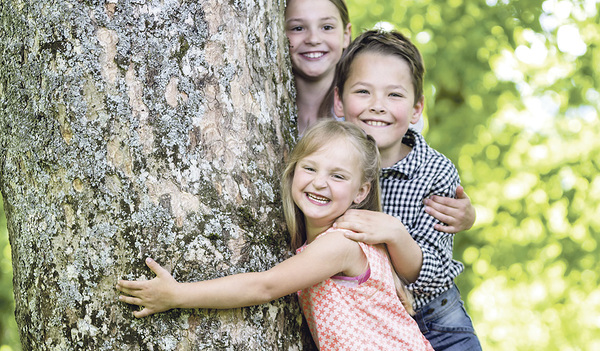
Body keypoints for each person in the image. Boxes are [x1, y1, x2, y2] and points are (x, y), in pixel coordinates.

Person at [116, 120, 433, 350]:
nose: (319, 183)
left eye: (337, 175)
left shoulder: (340, 243)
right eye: (310, 168)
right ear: (294, 171)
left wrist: (177, 295)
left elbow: (264, 286)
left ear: (361, 191)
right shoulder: (339, 241)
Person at [331, 30, 483, 350]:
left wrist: (395, 233)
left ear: (416, 109)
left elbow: (431, 272)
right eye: (362, 91)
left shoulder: (435, 172)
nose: (378, 106)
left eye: (394, 95)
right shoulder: (327, 166)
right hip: (367, 322)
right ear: (338, 101)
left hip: (436, 322)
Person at [284, 0, 475, 234]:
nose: (313, 38)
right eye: (297, 28)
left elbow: (403, 152)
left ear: (346, 34)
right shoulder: (269, 97)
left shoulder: (368, 80)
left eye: (326, 27)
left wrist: (466, 215)